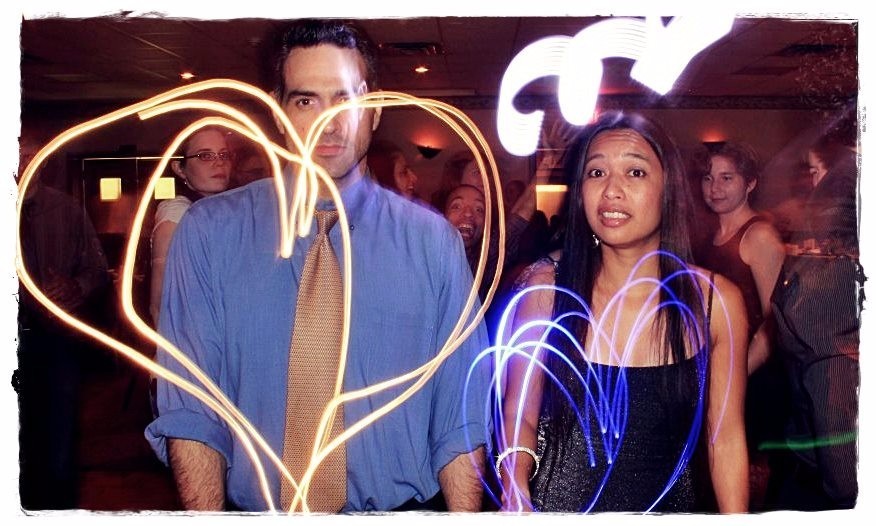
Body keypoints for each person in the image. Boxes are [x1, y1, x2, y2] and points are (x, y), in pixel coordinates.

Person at [146, 19, 490, 513]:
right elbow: (193, 412)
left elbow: (460, 417)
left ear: (374, 109)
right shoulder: (210, 234)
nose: (330, 123)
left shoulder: (433, 243)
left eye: (346, 99)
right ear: (279, 112)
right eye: (306, 100)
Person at [497, 111, 749, 513]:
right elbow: (519, 413)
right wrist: (516, 492)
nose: (612, 190)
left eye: (635, 172)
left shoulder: (715, 302)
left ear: (668, 189)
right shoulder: (547, 290)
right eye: (596, 173)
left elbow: (726, 440)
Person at [15, 137, 111, 509]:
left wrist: (75, 285)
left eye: (31, 154)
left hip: (56, 341)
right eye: (16, 153)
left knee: (59, 440)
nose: (24, 161)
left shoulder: (67, 211)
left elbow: (97, 270)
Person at [769, 135, 860, 510]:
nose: (815, 187)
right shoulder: (832, 280)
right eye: (813, 173)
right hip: (825, 492)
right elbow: (846, 475)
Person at [695, 142, 786, 510]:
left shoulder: (759, 236)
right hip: (715, 372)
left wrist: (735, 372)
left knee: (739, 482)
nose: (714, 187)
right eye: (708, 178)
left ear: (750, 183)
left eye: (726, 178)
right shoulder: (707, 236)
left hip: (752, 379)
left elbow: (775, 321)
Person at [149, 126, 232, 326]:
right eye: (205, 156)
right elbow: (160, 305)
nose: (219, 162)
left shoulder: (222, 211)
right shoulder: (178, 213)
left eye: (223, 155)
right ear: (179, 168)